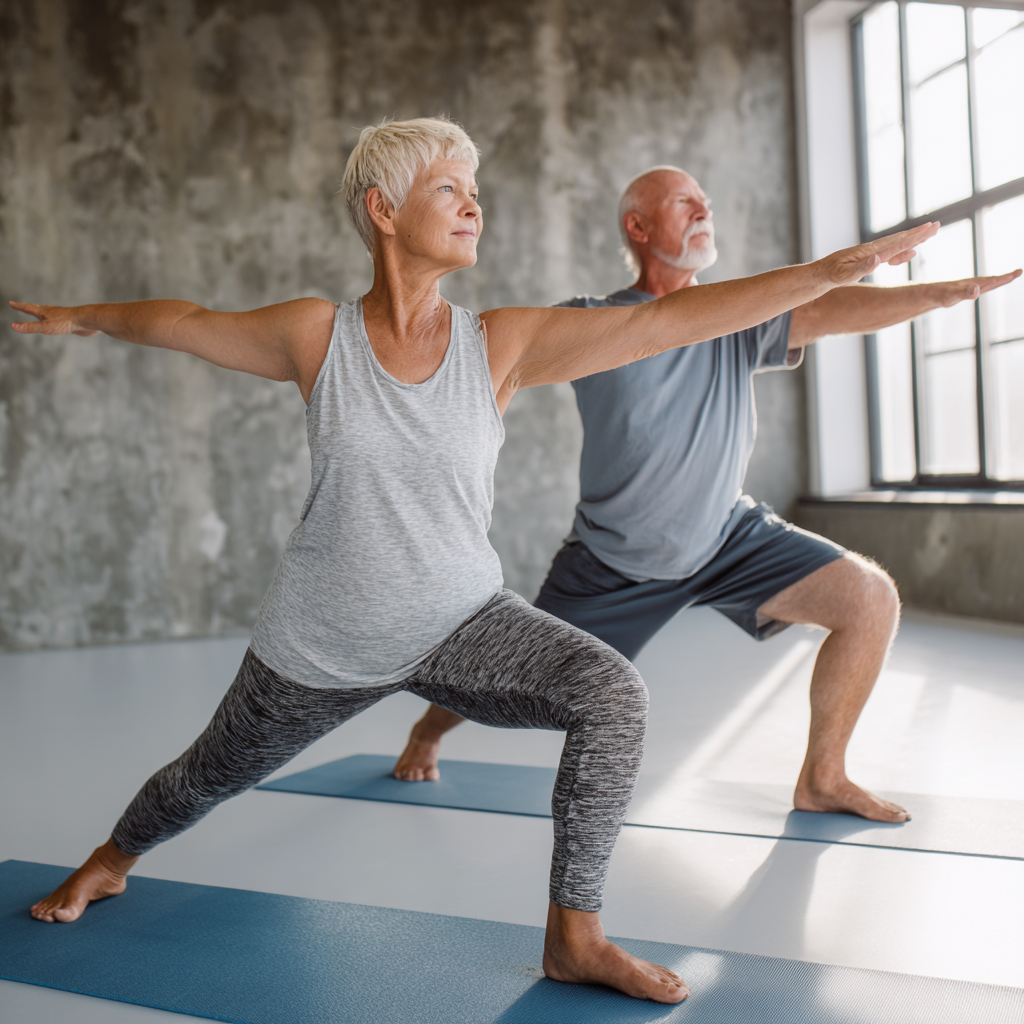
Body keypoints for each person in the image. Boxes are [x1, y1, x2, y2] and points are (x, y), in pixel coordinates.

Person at [15, 121, 939, 1005]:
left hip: (463, 621)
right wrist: (84, 317)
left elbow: (678, 322)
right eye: (448, 189)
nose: (473, 206)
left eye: (477, 191)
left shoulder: (501, 342)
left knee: (611, 697)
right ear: (383, 209)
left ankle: (574, 937)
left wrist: (824, 276)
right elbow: (181, 319)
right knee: (203, 778)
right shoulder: (314, 335)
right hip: (323, 640)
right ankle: (111, 860)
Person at [393, 164, 1020, 825]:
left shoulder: (739, 320)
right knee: (502, 680)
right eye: (685, 202)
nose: (703, 211)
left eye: (708, 203)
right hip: (613, 563)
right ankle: (430, 730)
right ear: (637, 226)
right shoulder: (590, 323)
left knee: (869, 599)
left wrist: (937, 296)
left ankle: (823, 777)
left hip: (727, 537)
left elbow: (827, 312)